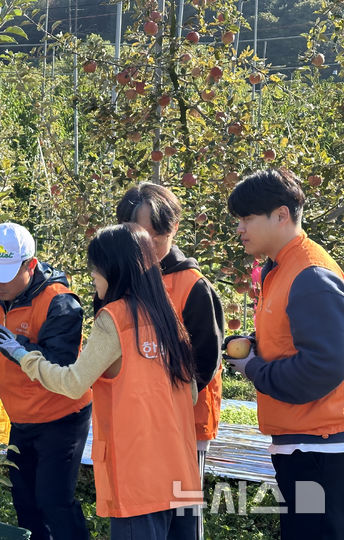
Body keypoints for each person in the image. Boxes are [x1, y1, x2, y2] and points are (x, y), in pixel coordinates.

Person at [0, 223, 202, 540]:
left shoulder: (114, 318)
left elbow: (73, 383)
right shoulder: (167, 316)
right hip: (179, 469)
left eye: (95, 270)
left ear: (113, 271)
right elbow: (190, 393)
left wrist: (20, 353)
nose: (92, 278)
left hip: (136, 472)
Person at [0, 222, 91, 540]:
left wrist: (14, 344)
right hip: (20, 415)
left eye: (5, 276)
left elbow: (59, 365)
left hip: (62, 416)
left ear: (29, 265)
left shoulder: (60, 303)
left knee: (54, 501)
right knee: (25, 502)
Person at [225, 168, 344, 540]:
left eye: (246, 218)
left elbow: (325, 365)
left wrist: (254, 368)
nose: (240, 229)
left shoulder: (309, 275)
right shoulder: (282, 270)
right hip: (304, 444)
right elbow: (294, 342)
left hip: (321, 450)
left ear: (281, 215)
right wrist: (258, 346)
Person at [115, 183, 224, 540]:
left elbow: (205, 361)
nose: (149, 244)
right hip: (140, 425)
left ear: (173, 229)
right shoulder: (123, 281)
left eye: (157, 235)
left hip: (184, 424)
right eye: (140, 235)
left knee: (182, 516)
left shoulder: (191, 285)